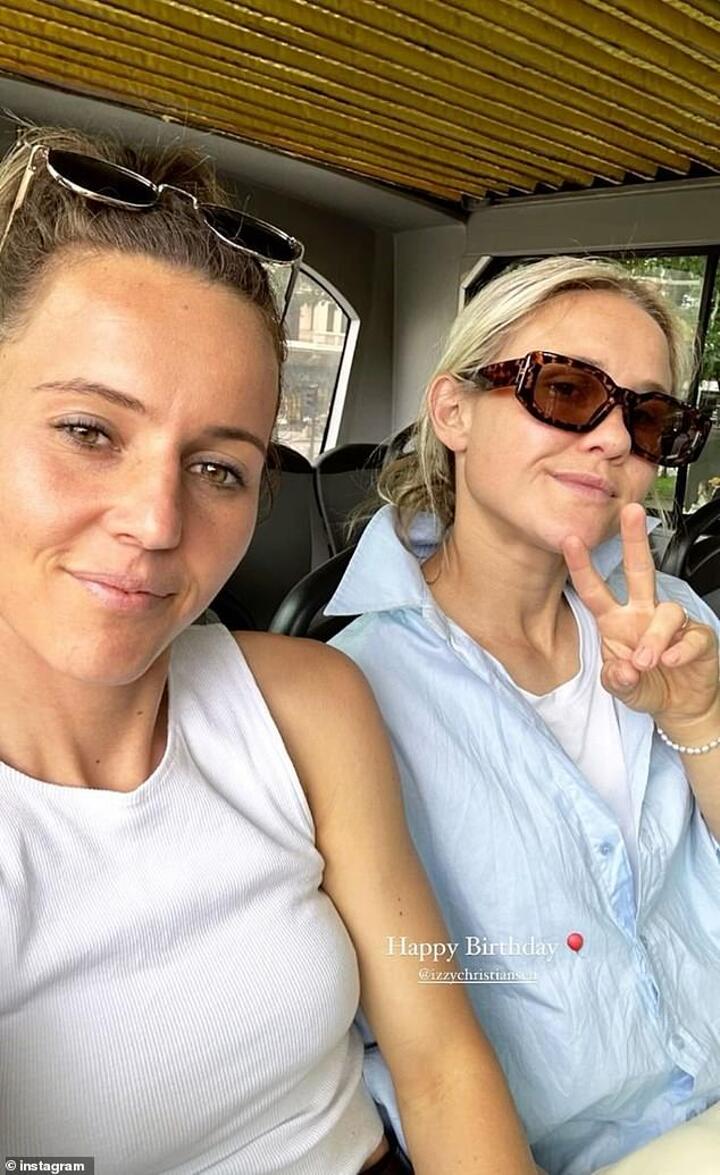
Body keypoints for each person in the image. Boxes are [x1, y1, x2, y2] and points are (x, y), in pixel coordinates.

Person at [0, 127, 539, 1175]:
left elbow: (439, 1064)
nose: (156, 522)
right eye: (89, 431)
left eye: (218, 469)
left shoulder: (309, 703)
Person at [327, 256, 720, 1175]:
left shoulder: (677, 621)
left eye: (649, 418)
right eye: (569, 389)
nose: (614, 439)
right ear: (453, 411)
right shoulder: (348, 688)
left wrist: (700, 717)